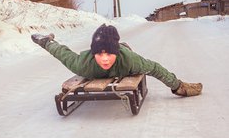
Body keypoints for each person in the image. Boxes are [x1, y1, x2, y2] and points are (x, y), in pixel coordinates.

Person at [31, 23, 203, 97]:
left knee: (127, 50)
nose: (104, 59)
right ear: (93, 54)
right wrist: (45, 41)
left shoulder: (129, 61)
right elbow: (62, 52)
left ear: (116, 52)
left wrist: (178, 86)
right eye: (99, 54)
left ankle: (122, 45)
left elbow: (155, 68)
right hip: (112, 54)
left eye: (109, 53)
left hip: (124, 52)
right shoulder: (84, 65)